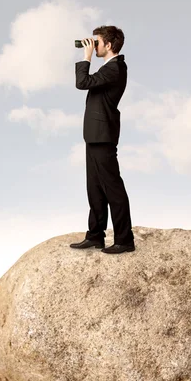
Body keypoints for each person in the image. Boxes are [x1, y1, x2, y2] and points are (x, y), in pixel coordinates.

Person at [69, 25, 135, 254]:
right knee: (95, 188)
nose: (93, 46)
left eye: (96, 42)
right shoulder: (108, 69)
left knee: (112, 187)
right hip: (95, 135)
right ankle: (95, 236)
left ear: (108, 45)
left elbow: (82, 83)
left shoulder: (115, 67)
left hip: (103, 135)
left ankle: (125, 240)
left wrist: (86, 57)